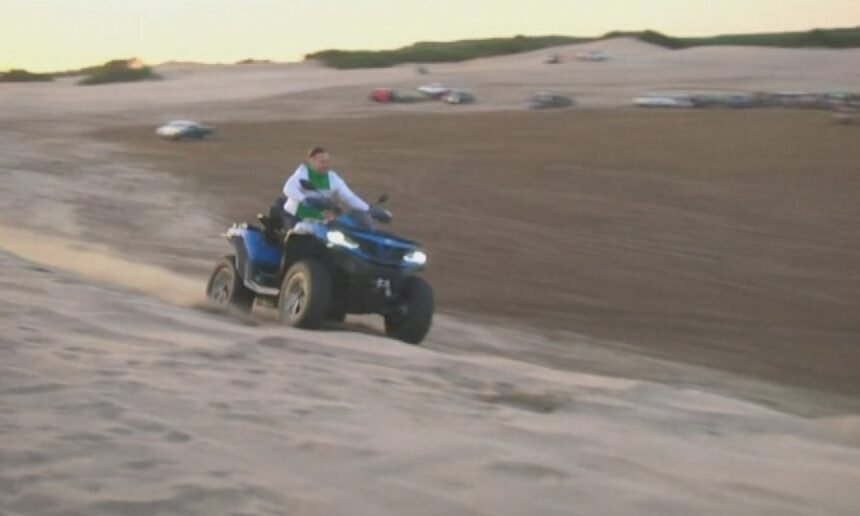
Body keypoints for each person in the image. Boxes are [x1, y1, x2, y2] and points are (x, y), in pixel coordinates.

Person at [279, 147, 369, 229]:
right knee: (296, 241)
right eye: (322, 162)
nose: (326, 165)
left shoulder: (333, 178)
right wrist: (305, 200)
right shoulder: (302, 173)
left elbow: (349, 197)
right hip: (295, 216)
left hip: (319, 219)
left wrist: (368, 210)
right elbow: (288, 189)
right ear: (311, 161)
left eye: (327, 162)